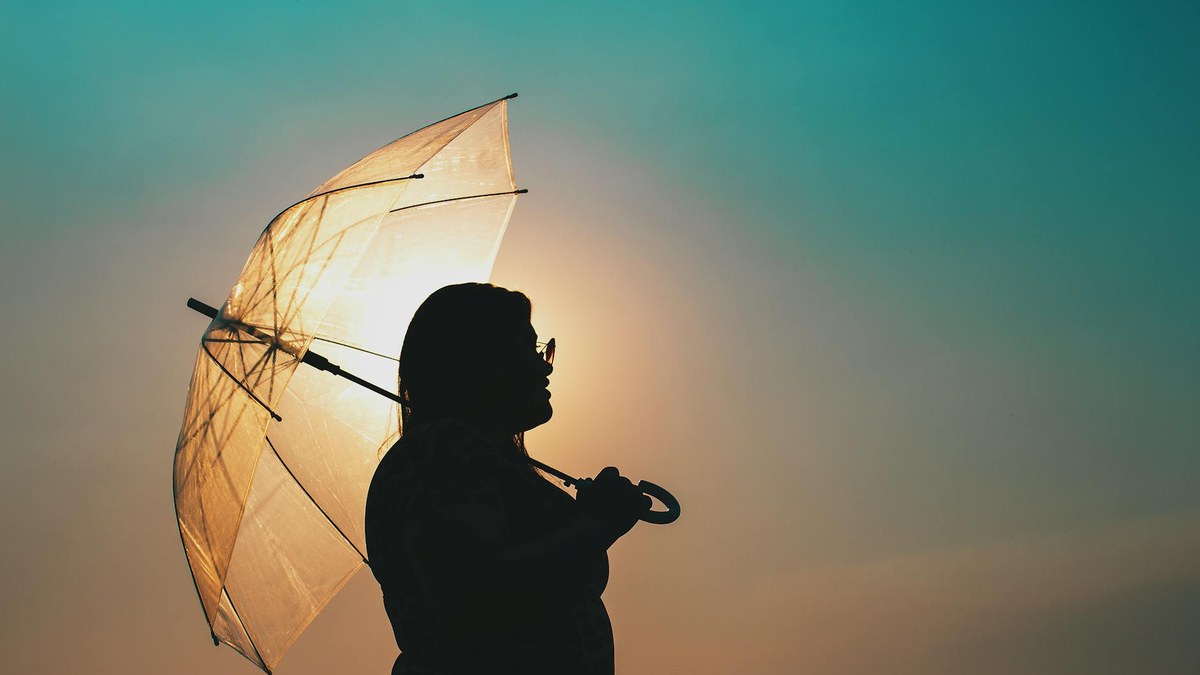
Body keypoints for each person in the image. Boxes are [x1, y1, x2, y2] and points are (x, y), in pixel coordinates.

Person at [365, 282, 650, 675]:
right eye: (529, 349)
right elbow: (471, 599)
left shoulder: (471, 456)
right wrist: (595, 526)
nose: (546, 365)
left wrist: (586, 522)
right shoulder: (444, 452)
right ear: (479, 361)